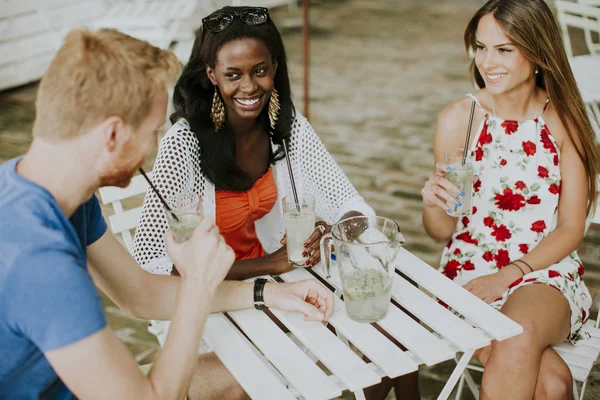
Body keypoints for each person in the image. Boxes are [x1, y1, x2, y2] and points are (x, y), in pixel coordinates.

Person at [0, 27, 334, 400]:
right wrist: (197, 283)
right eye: (154, 130)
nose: (155, 145)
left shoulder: (51, 191)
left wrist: (265, 293)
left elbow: (140, 295)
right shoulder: (37, 260)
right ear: (112, 135)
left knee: (263, 367)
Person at [132, 7, 420, 399]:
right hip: (211, 299)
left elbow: (348, 202)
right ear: (212, 75)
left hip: (281, 284)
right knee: (344, 342)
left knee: (387, 329)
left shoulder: (286, 128)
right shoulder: (184, 144)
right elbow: (152, 263)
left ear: (275, 68)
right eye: (233, 74)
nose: (249, 87)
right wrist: (269, 264)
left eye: (259, 71)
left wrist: (331, 232)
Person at [421, 0, 600, 398]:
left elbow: (572, 228)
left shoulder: (563, 120)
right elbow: (440, 231)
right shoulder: (460, 119)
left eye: (504, 49)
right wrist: (433, 201)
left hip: (543, 269)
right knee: (552, 386)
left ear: (537, 53)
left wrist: (508, 275)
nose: (488, 62)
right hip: (470, 271)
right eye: (481, 47)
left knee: (516, 339)